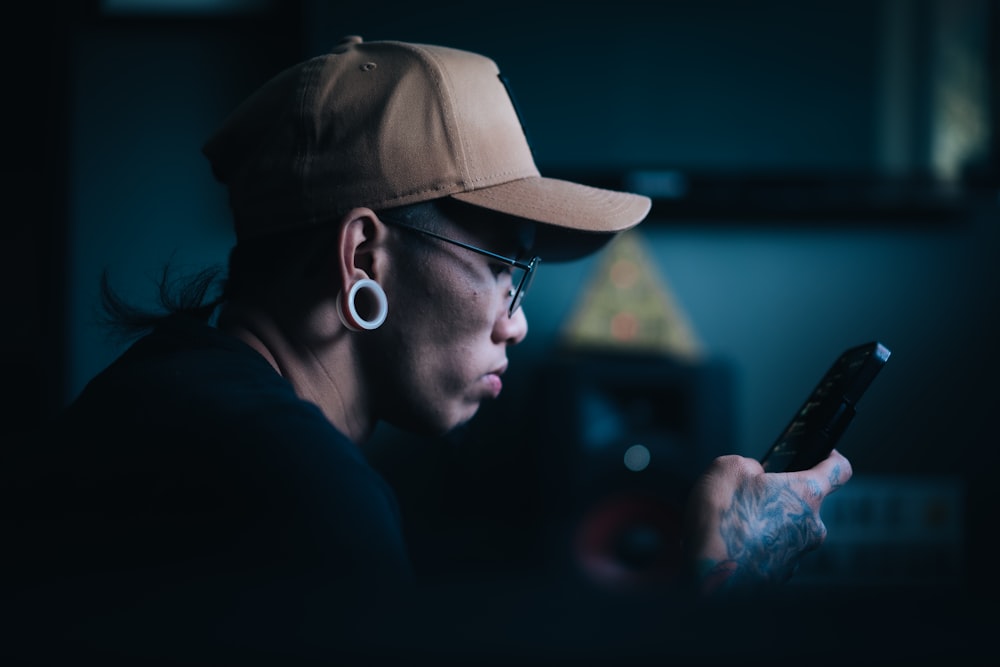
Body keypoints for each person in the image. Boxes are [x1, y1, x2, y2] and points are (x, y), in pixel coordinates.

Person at [4, 36, 852, 662]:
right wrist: (723, 580)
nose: (516, 321)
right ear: (364, 255)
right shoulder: (298, 495)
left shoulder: (168, 399)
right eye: (500, 266)